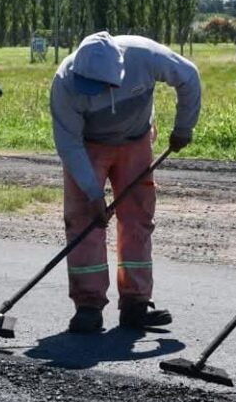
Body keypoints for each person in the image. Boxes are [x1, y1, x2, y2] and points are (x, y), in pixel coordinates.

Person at [50, 31, 201, 333]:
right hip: (88, 146)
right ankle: (88, 305)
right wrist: (93, 193)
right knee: (84, 220)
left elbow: (190, 77)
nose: (92, 92)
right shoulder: (65, 82)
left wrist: (184, 127)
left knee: (137, 219)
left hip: (135, 142)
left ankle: (135, 303)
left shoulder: (144, 56)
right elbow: (68, 144)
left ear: (118, 72)